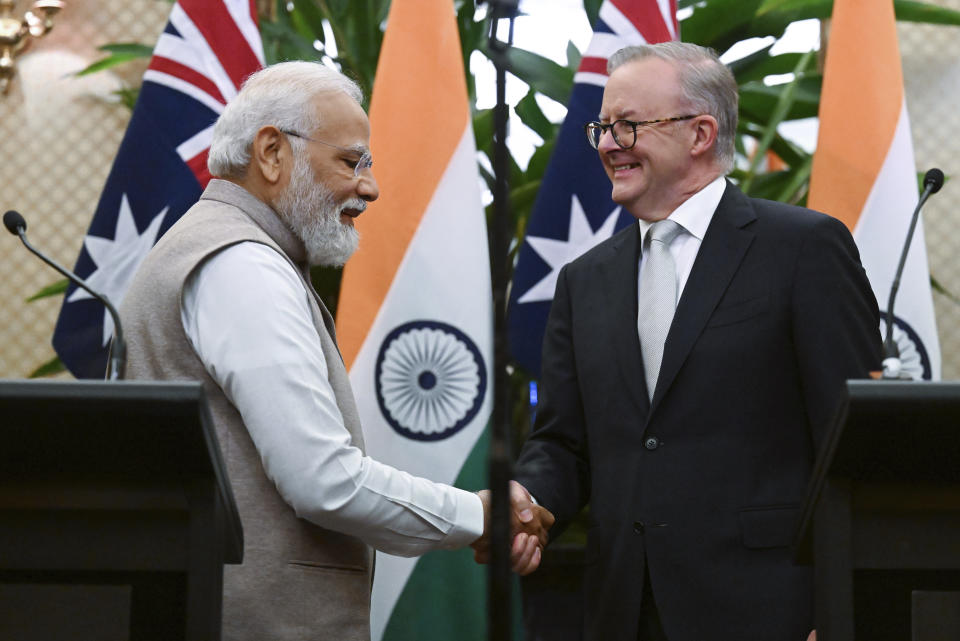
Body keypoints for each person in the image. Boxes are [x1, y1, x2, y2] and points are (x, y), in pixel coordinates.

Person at [118, 61, 553, 641]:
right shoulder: (240, 262)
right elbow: (324, 479)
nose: (370, 188)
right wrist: (479, 515)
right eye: (352, 161)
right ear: (271, 152)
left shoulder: (223, 246)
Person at [511, 42, 881, 641]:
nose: (607, 144)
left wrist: (840, 613)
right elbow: (564, 441)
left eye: (628, 125)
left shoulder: (802, 248)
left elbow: (854, 448)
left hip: (771, 611)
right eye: (602, 127)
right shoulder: (584, 280)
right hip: (623, 611)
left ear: (700, 133)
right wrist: (528, 500)